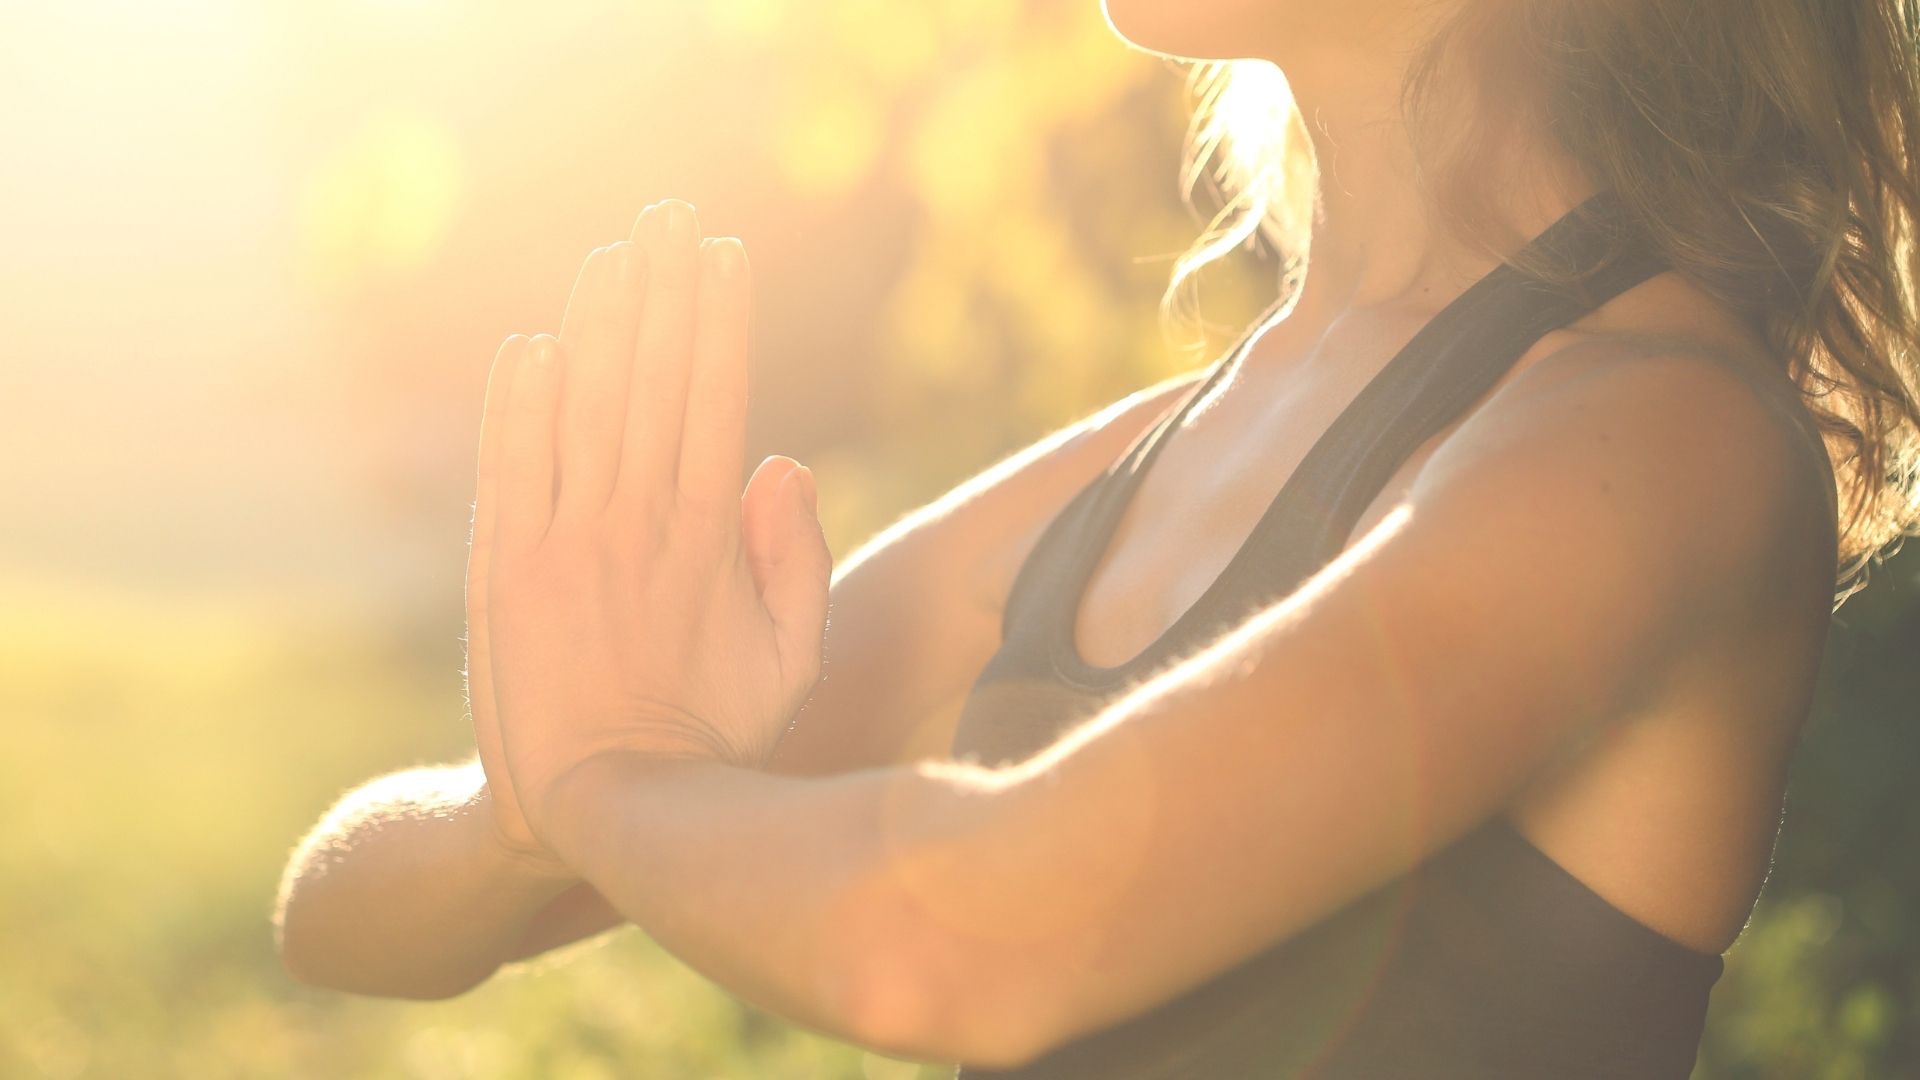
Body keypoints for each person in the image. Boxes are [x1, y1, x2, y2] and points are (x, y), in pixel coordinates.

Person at [275, 2, 1920, 1076]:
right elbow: (342, 915)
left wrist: (611, 787)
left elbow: (963, 943)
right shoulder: (1169, 451)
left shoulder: (1663, 440)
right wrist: (540, 809)